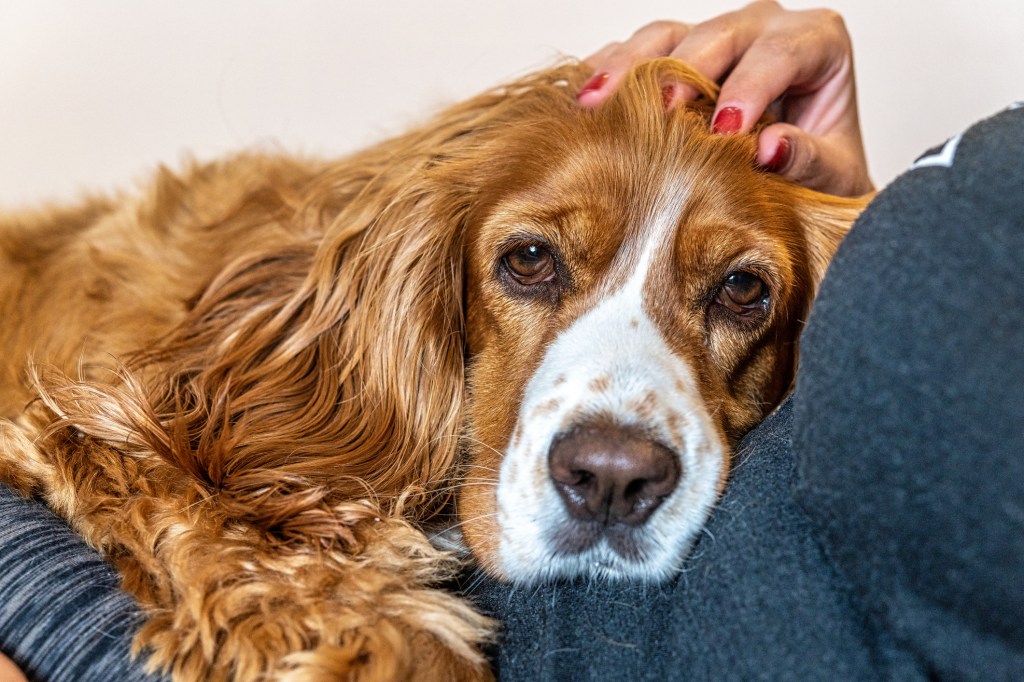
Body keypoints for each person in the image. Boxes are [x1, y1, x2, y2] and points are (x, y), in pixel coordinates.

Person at [2, 2, 1022, 679]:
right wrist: (886, 213)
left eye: (737, 292)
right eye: (532, 262)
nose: (617, 446)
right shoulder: (362, 331)